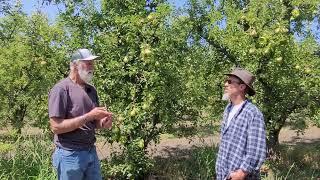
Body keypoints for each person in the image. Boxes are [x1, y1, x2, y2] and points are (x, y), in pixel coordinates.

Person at [48, 48, 112, 180]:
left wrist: (103, 123)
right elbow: (56, 127)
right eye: (87, 63)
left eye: (92, 63)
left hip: (90, 152)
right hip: (70, 155)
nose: (91, 67)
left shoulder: (91, 90)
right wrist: (89, 116)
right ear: (74, 65)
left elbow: (94, 123)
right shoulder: (61, 89)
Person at [216, 68, 266, 180]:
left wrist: (242, 173)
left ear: (242, 87)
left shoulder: (252, 113)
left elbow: (257, 149)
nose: (225, 84)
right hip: (224, 174)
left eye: (229, 82)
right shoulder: (228, 108)